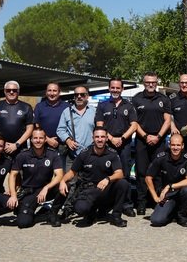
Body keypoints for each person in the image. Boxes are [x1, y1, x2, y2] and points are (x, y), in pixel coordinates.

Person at [58, 127, 130, 228]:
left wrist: (108, 179)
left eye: (102, 137)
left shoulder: (112, 153)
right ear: (93, 138)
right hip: (89, 190)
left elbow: (120, 173)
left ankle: (116, 216)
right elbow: (72, 172)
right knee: (80, 209)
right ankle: (91, 213)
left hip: (105, 189)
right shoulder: (84, 154)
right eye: (97, 137)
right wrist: (62, 181)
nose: (100, 139)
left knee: (123, 183)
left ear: (106, 138)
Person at [95, 78, 138, 216]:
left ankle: (126, 204)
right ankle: (105, 204)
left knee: (125, 175)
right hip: (107, 144)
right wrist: (111, 138)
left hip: (124, 144)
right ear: (109, 88)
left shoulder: (128, 106)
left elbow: (134, 125)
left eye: (118, 88)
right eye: (112, 87)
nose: (115, 90)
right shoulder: (102, 105)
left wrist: (122, 138)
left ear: (122, 89)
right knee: (106, 174)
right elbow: (99, 125)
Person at [132, 72, 172, 215]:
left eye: (153, 82)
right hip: (142, 141)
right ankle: (141, 203)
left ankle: (158, 201)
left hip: (159, 141)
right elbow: (134, 122)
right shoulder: (136, 99)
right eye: (148, 82)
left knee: (158, 172)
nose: (151, 84)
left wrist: (158, 136)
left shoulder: (164, 99)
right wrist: (146, 136)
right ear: (144, 83)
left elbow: (168, 120)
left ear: (156, 83)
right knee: (141, 172)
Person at [8, 126, 64, 228]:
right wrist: (13, 195)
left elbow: (59, 175)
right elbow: (13, 175)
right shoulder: (23, 155)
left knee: (65, 186)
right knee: (23, 223)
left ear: (45, 139)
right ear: (31, 139)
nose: (38, 141)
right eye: (35, 138)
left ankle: (53, 213)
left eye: (41, 138)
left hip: (46, 190)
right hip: (29, 192)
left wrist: (46, 187)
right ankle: (38, 214)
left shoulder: (52, 154)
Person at [146, 133, 187, 227]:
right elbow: (148, 178)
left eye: (178, 145)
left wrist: (170, 186)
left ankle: (182, 216)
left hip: (181, 193)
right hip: (167, 195)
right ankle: (172, 213)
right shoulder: (161, 158)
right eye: (173, 145)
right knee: (156, 220)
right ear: (169, 145)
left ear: (182, 146)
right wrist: (155, 197)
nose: (175, 148)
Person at [0, 80, 34, 157]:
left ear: (18, 91)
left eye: (14, 90)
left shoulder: (27, 107)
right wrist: (2, 143)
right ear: (4, 91)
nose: (11, 92)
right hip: (1, 148)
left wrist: (16, 144)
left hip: (20, 148)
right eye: (8, 90)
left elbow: (30, 129)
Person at [56, 85, 96, 171]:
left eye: (82, 94)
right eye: (76, 95)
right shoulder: (67, 112)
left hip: (90, 155)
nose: (79, 97)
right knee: (69, 179)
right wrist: (68, 140)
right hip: (72, 156)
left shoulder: (94, 111)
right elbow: (60, 130)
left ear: (87, 96)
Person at [33, 82, 68, 155]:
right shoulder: (39, 106)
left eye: (54, 91)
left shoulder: (67, 107)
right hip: (43, 145)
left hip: (62, 145)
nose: (52, 93)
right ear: (46, 92)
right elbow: (36, 125)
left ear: (59, 92)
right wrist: (47, 139)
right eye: (49, 90)